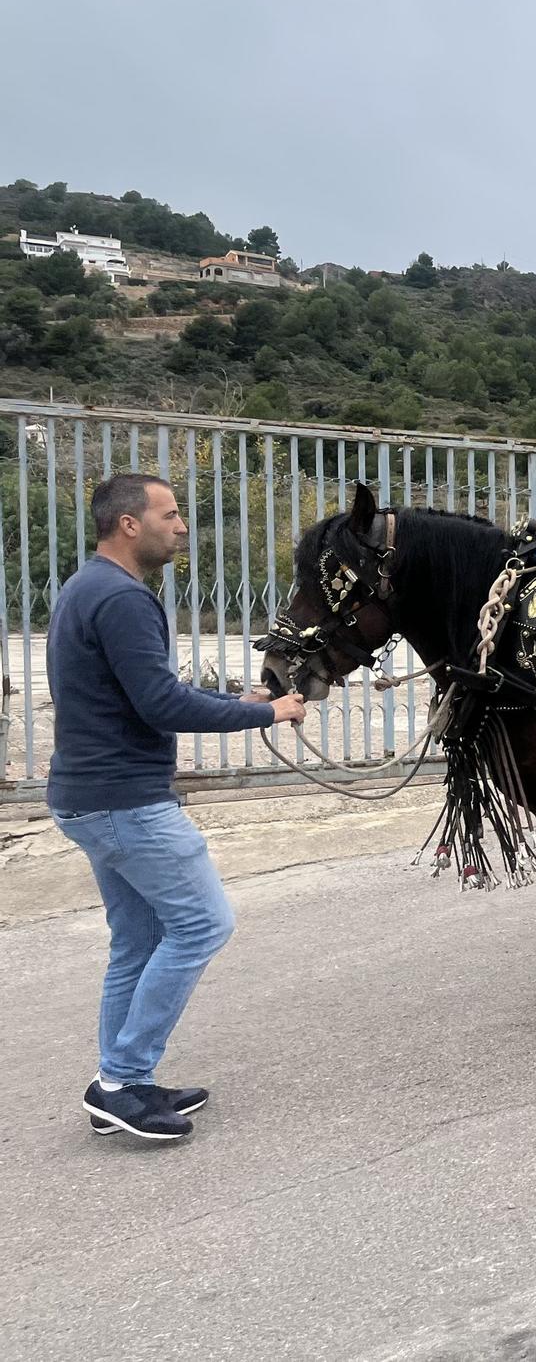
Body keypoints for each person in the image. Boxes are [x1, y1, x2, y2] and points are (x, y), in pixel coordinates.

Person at [48, 474, 306, 1140]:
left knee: (138, 940)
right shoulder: (124, 600)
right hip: (126, 803)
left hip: (89, 798)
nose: (182, 525)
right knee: (201, 926)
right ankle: (120, 1079)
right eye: (170, 514)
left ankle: (122, 1082)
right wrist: (269, 713)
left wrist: (238, 703)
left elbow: (146, 691)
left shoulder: (87, 588)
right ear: (130, 525)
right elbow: (160, 705)